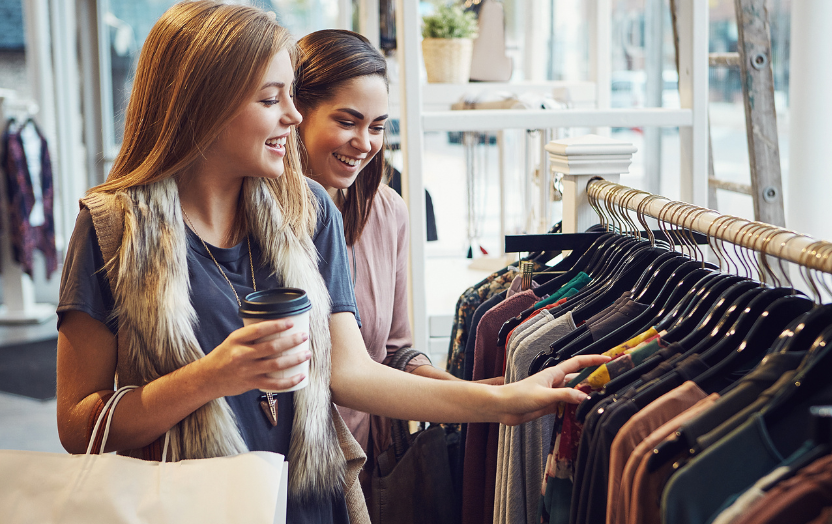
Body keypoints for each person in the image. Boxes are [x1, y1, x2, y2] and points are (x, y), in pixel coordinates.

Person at [55, 3, 605, 523]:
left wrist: (504, 401)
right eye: (271, 99)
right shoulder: (113, 229)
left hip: (314, 504)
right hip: (190, 506)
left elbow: (352, 373)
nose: (294, 116)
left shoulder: (309, 211)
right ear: (204, 104)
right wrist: (211, 377)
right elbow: (77, 425)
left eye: (291, 95)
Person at [293, 28, 491, 487]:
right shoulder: (255, 217)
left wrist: (474, 393)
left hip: (362, 464)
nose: (365, 142)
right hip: (281, 470)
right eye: (347, 121)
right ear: (296, 113)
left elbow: (396, 351)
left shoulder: (388, 211)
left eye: (377, 126)